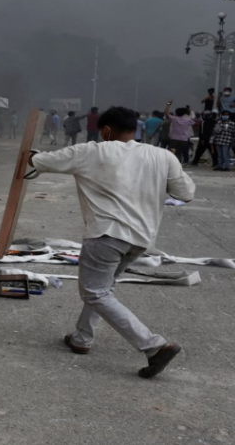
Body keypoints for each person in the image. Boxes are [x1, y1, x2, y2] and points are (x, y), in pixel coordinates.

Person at [29, 106, 193, 378]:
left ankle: (154, 346)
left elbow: (40, 161)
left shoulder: (92, 151)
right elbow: (185, 193)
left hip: (106, 235)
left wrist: (31, 155)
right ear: (136, 128)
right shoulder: (163, 156)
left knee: (95, 292)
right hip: (140, 239)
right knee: (102, 289)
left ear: (105, 130)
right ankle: (82, 338)